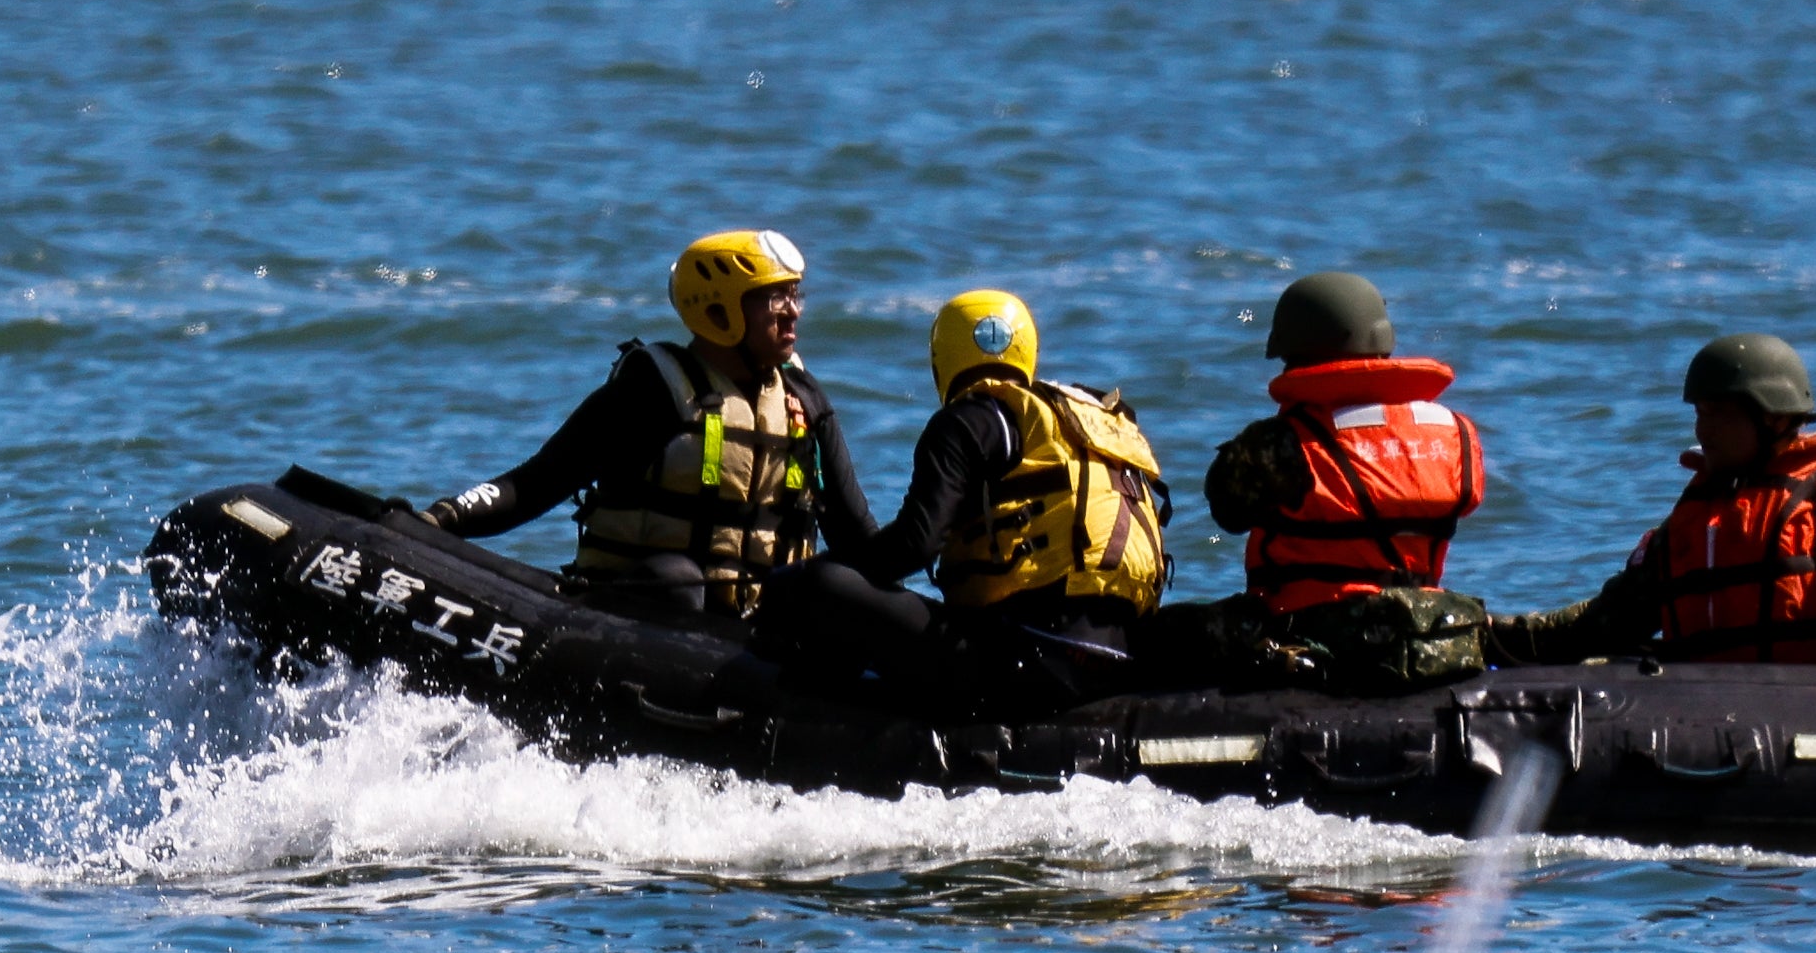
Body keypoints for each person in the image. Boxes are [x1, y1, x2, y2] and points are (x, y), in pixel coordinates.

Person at [415, 230, 878, 619]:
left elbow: (859, 541)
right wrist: (441, 518)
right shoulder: (653, 389)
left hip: (755, 635)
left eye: (795, 294)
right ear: (719, 310)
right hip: (644, 611)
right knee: (677, 581)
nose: (793, 310)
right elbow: (538, 482)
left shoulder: (806, 402)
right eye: (775, 296)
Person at [756, 288, 1172, 719]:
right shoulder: (1086, 420)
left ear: (943, 359)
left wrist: (804, 579)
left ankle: (790, 711)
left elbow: (914, 545)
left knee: (818, 586)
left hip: (1027, 662)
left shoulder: (968, 421)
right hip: (1121, 659)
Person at [1485, 334, 1816, 670]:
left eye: (1718, 415)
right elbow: (1609, 620)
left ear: (1773, 418)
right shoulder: (1696, 518)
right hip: (1705, 706)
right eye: (1698, 414)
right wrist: (1488, 632)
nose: (1702, 431)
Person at [1139, 271, 1491, 697]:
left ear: (1301, 353)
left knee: (1159, 633)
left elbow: (1226, 512)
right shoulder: (1453, 432)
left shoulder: (1281, 443)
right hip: (1420, 628)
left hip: (1310, 631)